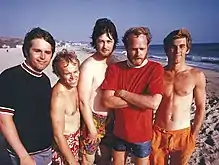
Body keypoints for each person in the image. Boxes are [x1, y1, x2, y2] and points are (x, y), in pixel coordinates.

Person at [101, 27, 164, 165]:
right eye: (134, 49)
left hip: (142, 136)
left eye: (142, 49)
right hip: (119, 133)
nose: (138, 53)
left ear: (147, 47)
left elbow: (154, 103)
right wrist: (141, 100)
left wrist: (123, 93)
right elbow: (107, 101)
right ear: (126, 48)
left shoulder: (155, 69)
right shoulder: (115, 69)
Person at [150, 28, 206, 165]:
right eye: (173, 47)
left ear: (187, 49)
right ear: (167, 49)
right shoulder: (158, 75)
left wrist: (193, 135)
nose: (177, 51)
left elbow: (200, 108)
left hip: (183, 134)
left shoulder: (196, 76)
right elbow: (149, 103)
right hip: (158, 134)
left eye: (182, 46)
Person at [0, 27, 56, 165]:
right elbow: (4, 120)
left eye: (47, 52)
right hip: (24, 155)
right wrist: (23, 156)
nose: (43, 57)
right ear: (26, 51)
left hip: (46, 151)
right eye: (37, 51)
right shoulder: (10, 77)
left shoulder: (45, 80)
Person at [78, 18, 118, 165]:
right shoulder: (89, 66)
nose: (105, 45)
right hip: (93, 118)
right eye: (101, 41)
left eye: (109, 41)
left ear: (114, 42)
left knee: (106, 157)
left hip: (112, 119)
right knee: (88, 157)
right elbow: (83, 101)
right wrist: (91, 128)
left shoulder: (116, 64)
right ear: (95, 41)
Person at [50, 49, 80, 165]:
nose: (73, 77)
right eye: (67, 73)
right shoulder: (59, 97)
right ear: (58, 74)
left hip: (76, 139)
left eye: (75, 71)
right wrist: (72, 162)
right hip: (64, 145)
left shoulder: (74, 86)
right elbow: (58, 135)